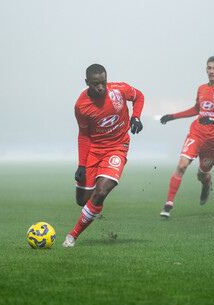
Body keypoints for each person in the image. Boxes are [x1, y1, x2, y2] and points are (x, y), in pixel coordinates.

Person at [62, 64, 144, 247]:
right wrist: (81, 165)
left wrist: (136, 117)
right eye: (95, 84)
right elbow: (83, 135)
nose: (100, 87)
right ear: (87, 83)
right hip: (94, 151)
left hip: (117, 148)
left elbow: (139, 96)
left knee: (100, 193)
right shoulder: (81, 106)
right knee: (82, 201)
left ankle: (72, 236)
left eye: (103, 83)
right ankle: (93, 209)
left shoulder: (119, 90)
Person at [159, 56, 214, 218]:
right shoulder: (202, 88)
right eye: (209, 68)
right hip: (197, 134)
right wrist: (173, 116)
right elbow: (196, 109)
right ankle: (168, 205)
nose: (211, 71)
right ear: (206, 69)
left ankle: (206, 182)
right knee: (182, 165)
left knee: (201, 174)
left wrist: (213, 120)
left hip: (213, 143)